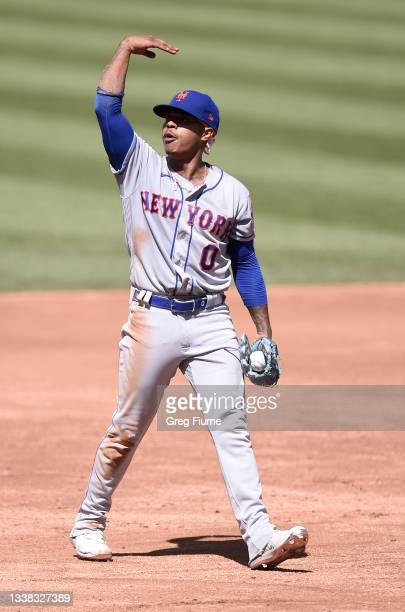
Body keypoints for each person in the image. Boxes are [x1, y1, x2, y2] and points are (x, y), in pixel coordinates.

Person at [69, 34, 308, 570]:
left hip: (211, 322)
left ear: (208, 134)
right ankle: (88, 521)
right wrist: (126, 49)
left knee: (232, 427)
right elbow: (105, 107)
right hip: (150, 318)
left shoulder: (234, 195)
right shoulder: (137, 166)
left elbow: (244, 264)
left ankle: (259, 535)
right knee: (127, 429)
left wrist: (264, 331)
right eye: (166, 117)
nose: (168, 124)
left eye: (181, 119)